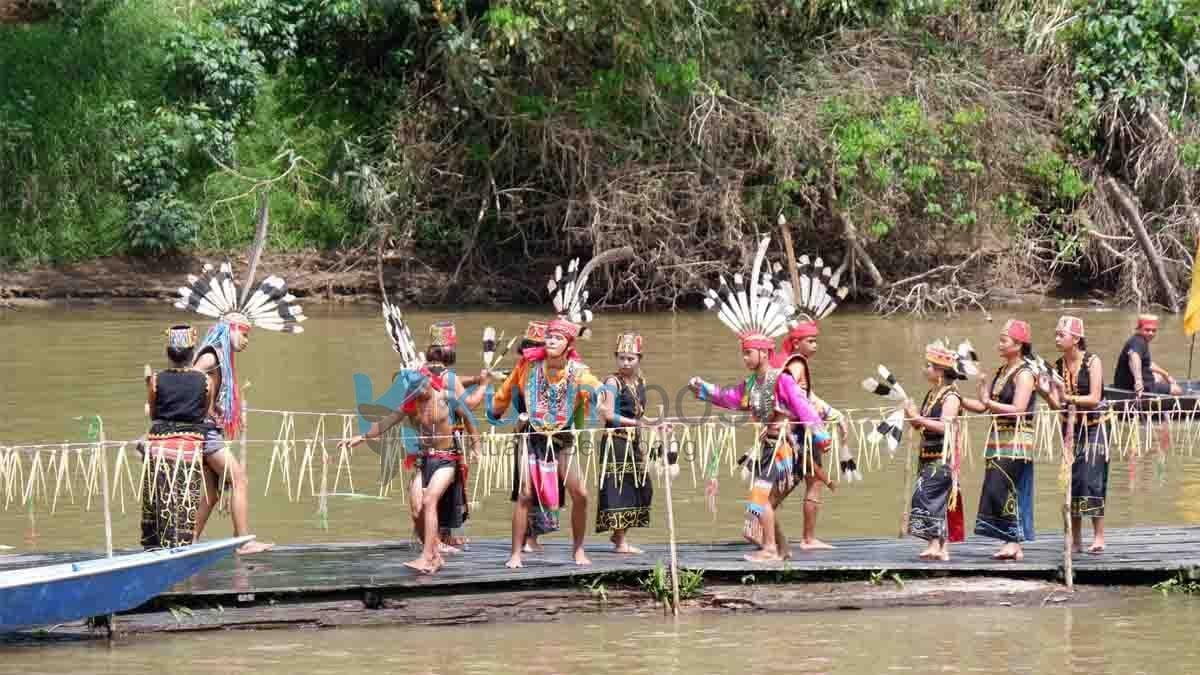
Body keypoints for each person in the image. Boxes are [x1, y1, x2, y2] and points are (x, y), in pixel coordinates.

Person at [688, 237, 833, 562]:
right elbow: (729, 398)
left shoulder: (781, 379)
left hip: (782, 446)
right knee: (761, 499)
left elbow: (804, 408)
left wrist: (820, 434)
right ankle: (779, 548)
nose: (744, 358)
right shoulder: (752, 383)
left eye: (749, 353)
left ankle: (770, 548)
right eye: (743, 353)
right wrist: (703, 389)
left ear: (765, 352)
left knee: (761, 498)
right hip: (768, 446)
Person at [174, 261, 306, 555]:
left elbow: (202, 392)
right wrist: (205, 413)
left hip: (205, 430)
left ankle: (189, 543)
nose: (246, 340)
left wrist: (216, 411)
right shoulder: (210, 356)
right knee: (239, 478)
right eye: (245, 334)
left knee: (211, 491)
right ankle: (243, 541)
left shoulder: (217, 355)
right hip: (204, 434)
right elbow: (190, 385)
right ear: (230, 329)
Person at [343, 368, 480, 574]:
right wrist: (361, 437)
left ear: (428, 382)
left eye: (422, 388)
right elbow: (385, 423)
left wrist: (476, 446)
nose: (421, 394)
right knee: (417, 508)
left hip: (447, 459)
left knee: (429, 500)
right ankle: (435, 554)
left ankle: (426, 558)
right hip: (424, 460)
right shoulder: (411, 405)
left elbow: (469, 419)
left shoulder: (447, 398)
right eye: (416, 391)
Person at [492, 318, 601, 568]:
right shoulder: (528, 365)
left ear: (569, 344)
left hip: (562, 438)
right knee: (524, 495)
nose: (551, 340)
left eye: (558, 337)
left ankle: (579, 550)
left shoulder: (578, 371)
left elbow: (597, 389)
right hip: (530, 436)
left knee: (581, 494)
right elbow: (505, 392)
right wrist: (496, 411)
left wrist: (604, 399)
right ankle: (516, 554)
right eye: (549, 336)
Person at [961, 319, 1037, 560]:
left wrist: (987, 401)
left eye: (1004, 340)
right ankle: (1010, 542)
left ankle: (1014, 543)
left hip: (1017, 440)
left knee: (1007, 488)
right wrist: (958, 399)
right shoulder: (1001, 372)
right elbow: (985, 407)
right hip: (997, 439)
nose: (999, 344)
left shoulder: (1024, 373)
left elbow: (1018, 409)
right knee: (997, 490)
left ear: (1019, 345)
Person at [1039, 315, 1111, 554]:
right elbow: (1056, 406)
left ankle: (1099, 537)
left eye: (1062, 335)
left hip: (1095, 426)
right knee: (1073, 479)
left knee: (1092, 478)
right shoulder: (1056, 366)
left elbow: (1093, 398)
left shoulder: (1093, 361)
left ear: (1076, 338)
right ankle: (1076, 539)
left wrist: (1065, 397)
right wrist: (1045, 392)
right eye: (1056, 334)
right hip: (1070, 427)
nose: (1057, 338)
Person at [778, 319, 851, 551]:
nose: (815, 345)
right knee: (789, 484)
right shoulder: (797, 364)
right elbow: (798, 399)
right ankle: (803, 538)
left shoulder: (797, 364)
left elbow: (809, 398)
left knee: (809, 481)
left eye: (816, 341)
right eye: (811, 341)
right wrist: (826, 420)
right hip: (800, 433)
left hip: (802, 431)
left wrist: (834, 414)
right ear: (796, 343)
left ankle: (803, 537)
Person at [141, 325, 215, 549]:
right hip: (188, 450)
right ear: (192, 353)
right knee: (183, 503)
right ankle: (180, 548)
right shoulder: (206, 381)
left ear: (168, 354)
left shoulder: (155, 380)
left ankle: (155, 549)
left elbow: (154, 414)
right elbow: (204, 414)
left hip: (158, 449)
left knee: (158, 501)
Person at [901, 340, 966, 561]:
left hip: (943, 456)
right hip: (928, 454)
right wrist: (910, 414)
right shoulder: (931, 394)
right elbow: (920, 425)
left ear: (940, 371)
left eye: (928, 365)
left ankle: (941, 547)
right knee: (930, 499)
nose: (925, 369)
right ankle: (935, 545)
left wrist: (918, 417)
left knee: (929, 497)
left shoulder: (951, 396)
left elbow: (944, 426)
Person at [595, 333, 655, 554]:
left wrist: (653, 423)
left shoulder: (640, 381)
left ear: (639, 358)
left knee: (644, 489)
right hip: (616, 442)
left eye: (630, 358)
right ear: (616, 358)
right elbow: (609, 414)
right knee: (619, 491)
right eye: (622, 358)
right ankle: (620, 542)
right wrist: (637, 423)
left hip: (633, 442)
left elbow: (638, 412)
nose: (626, 362)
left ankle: (619, 535)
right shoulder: (613, 382)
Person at [1114, 314, 1182, 396]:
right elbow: (1134, 357)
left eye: (1154, 330)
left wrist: (1165, 374)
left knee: (1159, 377)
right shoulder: (1138, 342)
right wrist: (1138, 382)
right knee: (1177, 390)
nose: (1151, 333)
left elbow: (1147, 363)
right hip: (1135, 387)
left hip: (1124, 384)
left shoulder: (1137, 340)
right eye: (1147, 330)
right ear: (1139, 329)